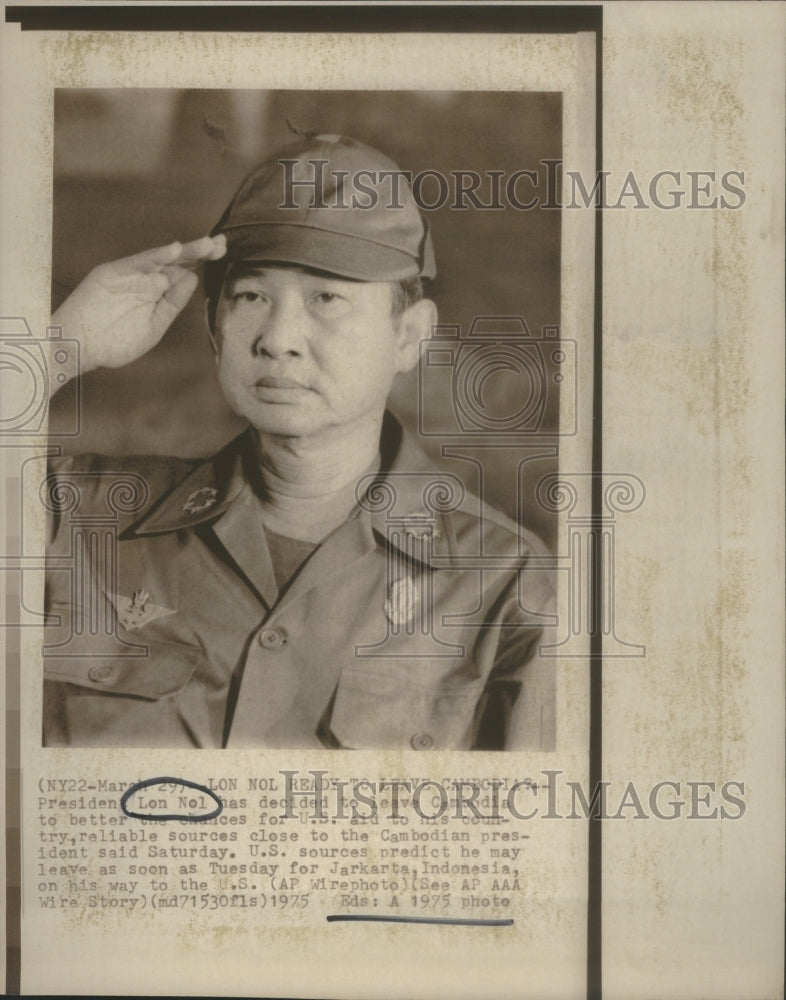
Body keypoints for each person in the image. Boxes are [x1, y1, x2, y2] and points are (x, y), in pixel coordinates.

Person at [42, 134, 556, 750]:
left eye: (327, 298)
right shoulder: (76, 514)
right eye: (252, 296)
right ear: (213, 327)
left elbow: (536, 840)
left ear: (410, 336)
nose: (278, 338)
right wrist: (52, 351)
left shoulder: (503, 581)